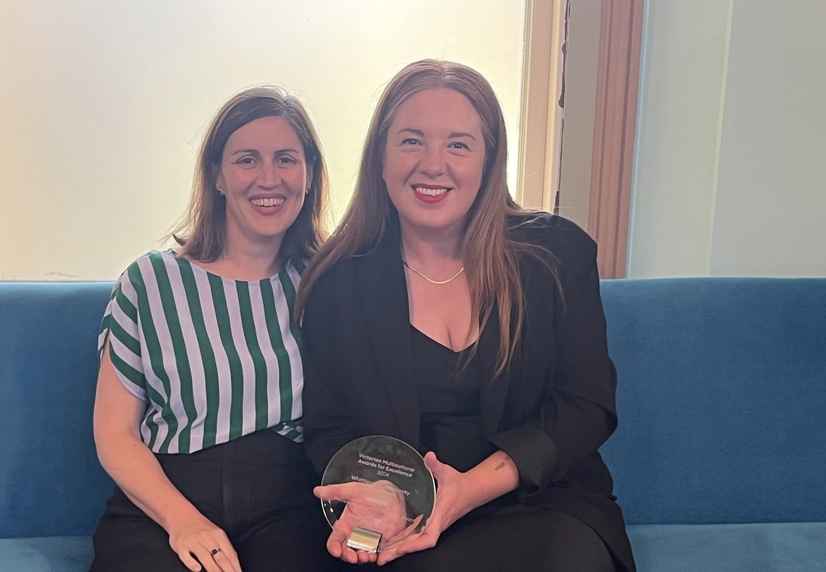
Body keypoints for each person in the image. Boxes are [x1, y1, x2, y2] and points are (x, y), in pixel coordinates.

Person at [296, 60, 636, 571]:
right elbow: (329, 429)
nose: (433, 164)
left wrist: (468, 490)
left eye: (458, 144)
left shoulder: (559, 255)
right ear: (380, 160)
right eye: (411, 141)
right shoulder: (335, 286)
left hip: (546, 504)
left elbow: (586, 405)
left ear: (488, 160)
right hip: (410, 516)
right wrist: (380, 497)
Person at [91, 86, 340, 572]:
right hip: (165, 503)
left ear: (308, 175)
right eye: (247, 160)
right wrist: (184, 521)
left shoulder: (326, 283)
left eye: (286, 159)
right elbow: (115, 433)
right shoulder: (149, 281)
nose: (269, 178)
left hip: (289, 506)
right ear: (218, 177)